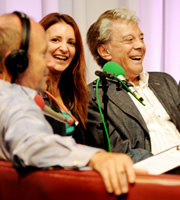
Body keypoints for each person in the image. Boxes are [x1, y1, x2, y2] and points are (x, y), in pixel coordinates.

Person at [0, 11, 140, 196]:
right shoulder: (13, 98)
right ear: (16, 62)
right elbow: (31, 143)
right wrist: (95, 158)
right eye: (42, 54)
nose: (48, 62)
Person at [86, 7, 180, 163]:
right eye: (129, 40)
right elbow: (121, 153)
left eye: (141, 38)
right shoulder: (96, 97)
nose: (140, 46)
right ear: (104, 51)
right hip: (153, 175)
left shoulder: (164, 81)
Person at [39, 13, 88, 144]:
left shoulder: (75, 93)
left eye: (71, 43)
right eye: (55, 40)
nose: (65, 48)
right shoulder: (28, 93)